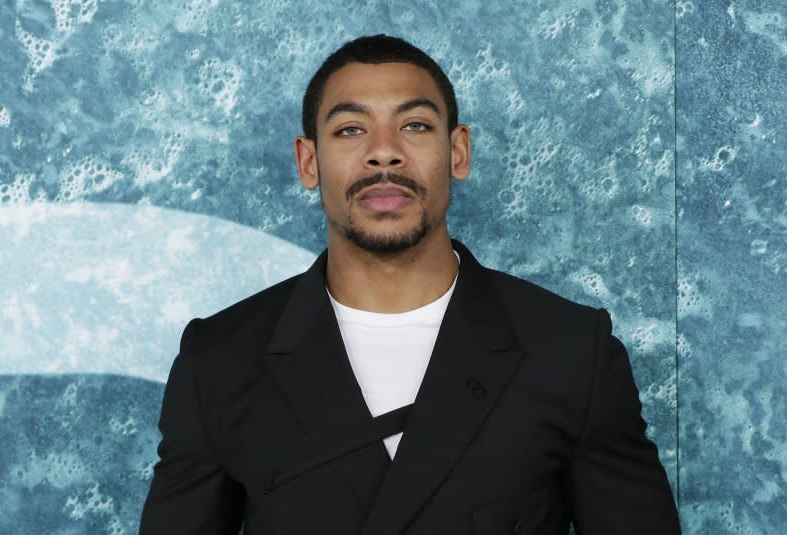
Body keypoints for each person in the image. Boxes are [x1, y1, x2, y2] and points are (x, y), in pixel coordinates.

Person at [139, 34, 681, 534]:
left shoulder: (570, 353)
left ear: (458, 151)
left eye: (415, 125)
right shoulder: (220, 361)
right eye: (351, 129)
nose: (384, 152)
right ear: (308, 162)